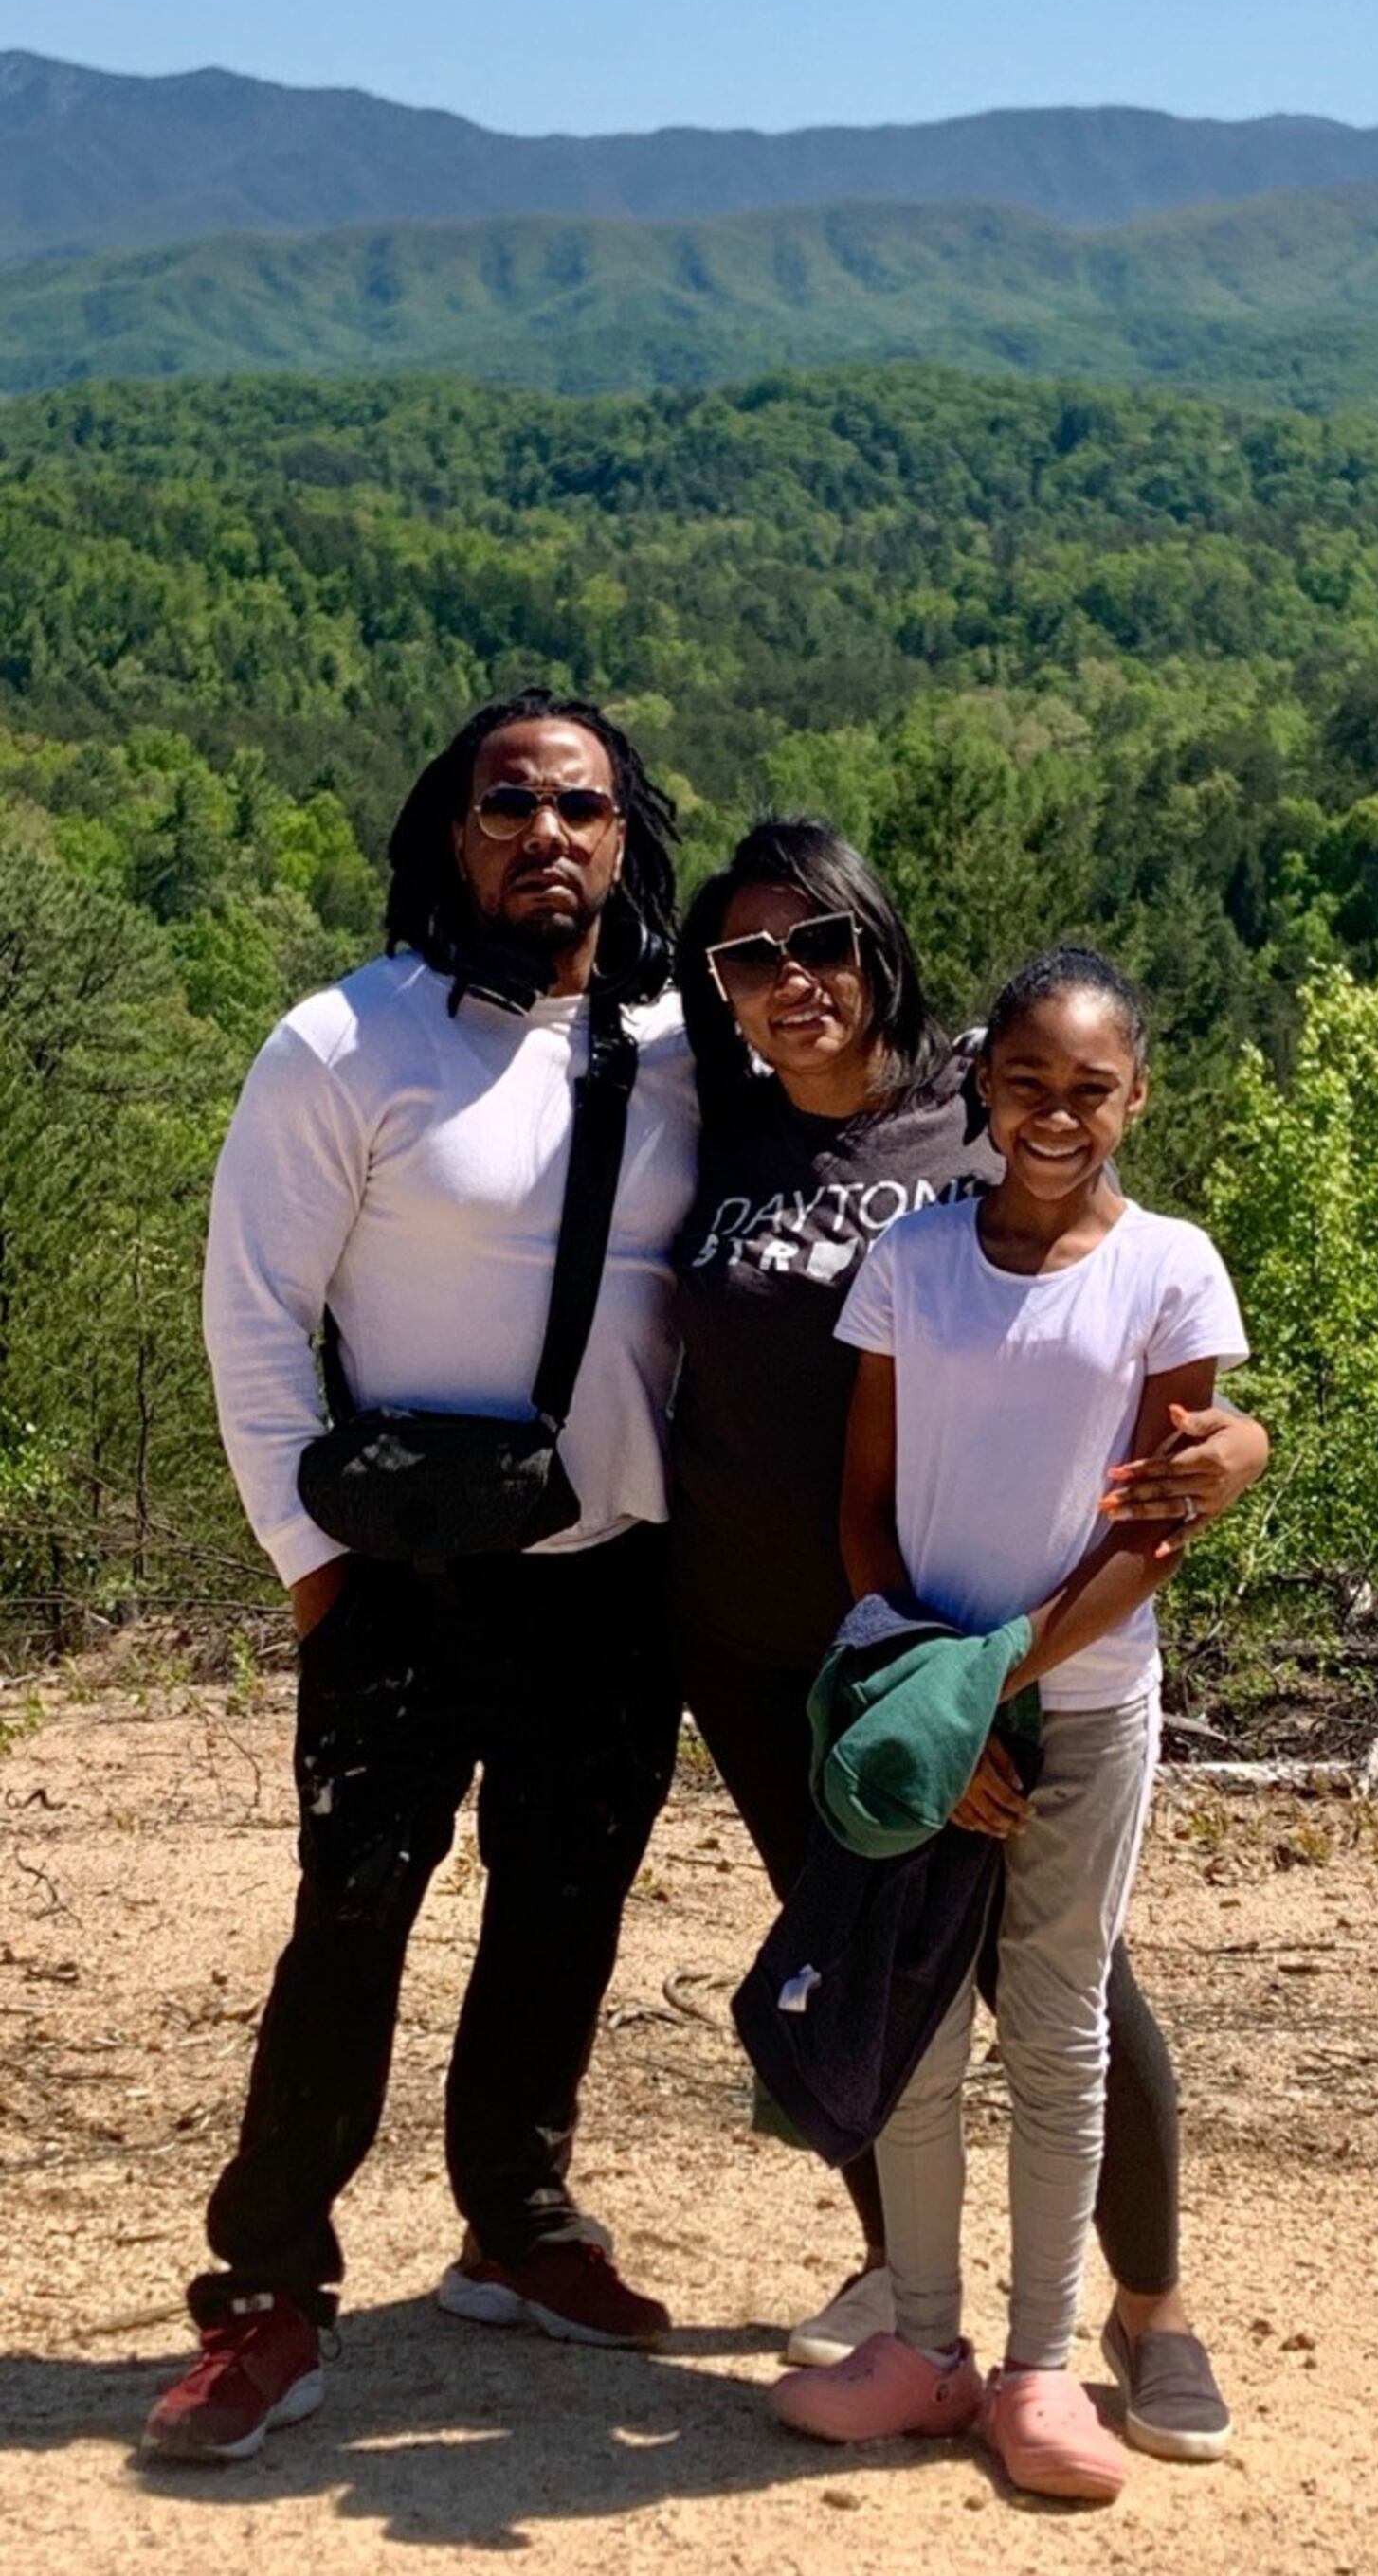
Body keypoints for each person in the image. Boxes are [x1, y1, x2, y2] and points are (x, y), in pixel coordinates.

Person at [143, 692, 699, 2464]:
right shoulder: (342, 1044)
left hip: (613, 1572)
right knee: (352, 1924)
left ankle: (515, 2227)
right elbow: (251, 1316)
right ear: (450, 836)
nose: (549, 834)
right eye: (509, 805)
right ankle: (270, 2296)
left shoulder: (693, 1043)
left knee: (564, 1910)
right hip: (398, 1575)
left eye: (582, 807)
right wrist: (313, 1567)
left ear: (627, 835)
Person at [671, 824, 1264, 2457]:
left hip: (1043, 1689)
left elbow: (1169, 1482)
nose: (1052, 1114)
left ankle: (1079, 2344)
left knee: (1065, 2007)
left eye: (1089, 1089)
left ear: (1136, 1094)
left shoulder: (1122, 1235)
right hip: (874, 1680)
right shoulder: (828, 1201)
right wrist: (916, 1689)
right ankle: (920, 2333)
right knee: (906, 2002)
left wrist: (982, 1688)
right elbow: (867, 1490)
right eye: (1026, 1084)